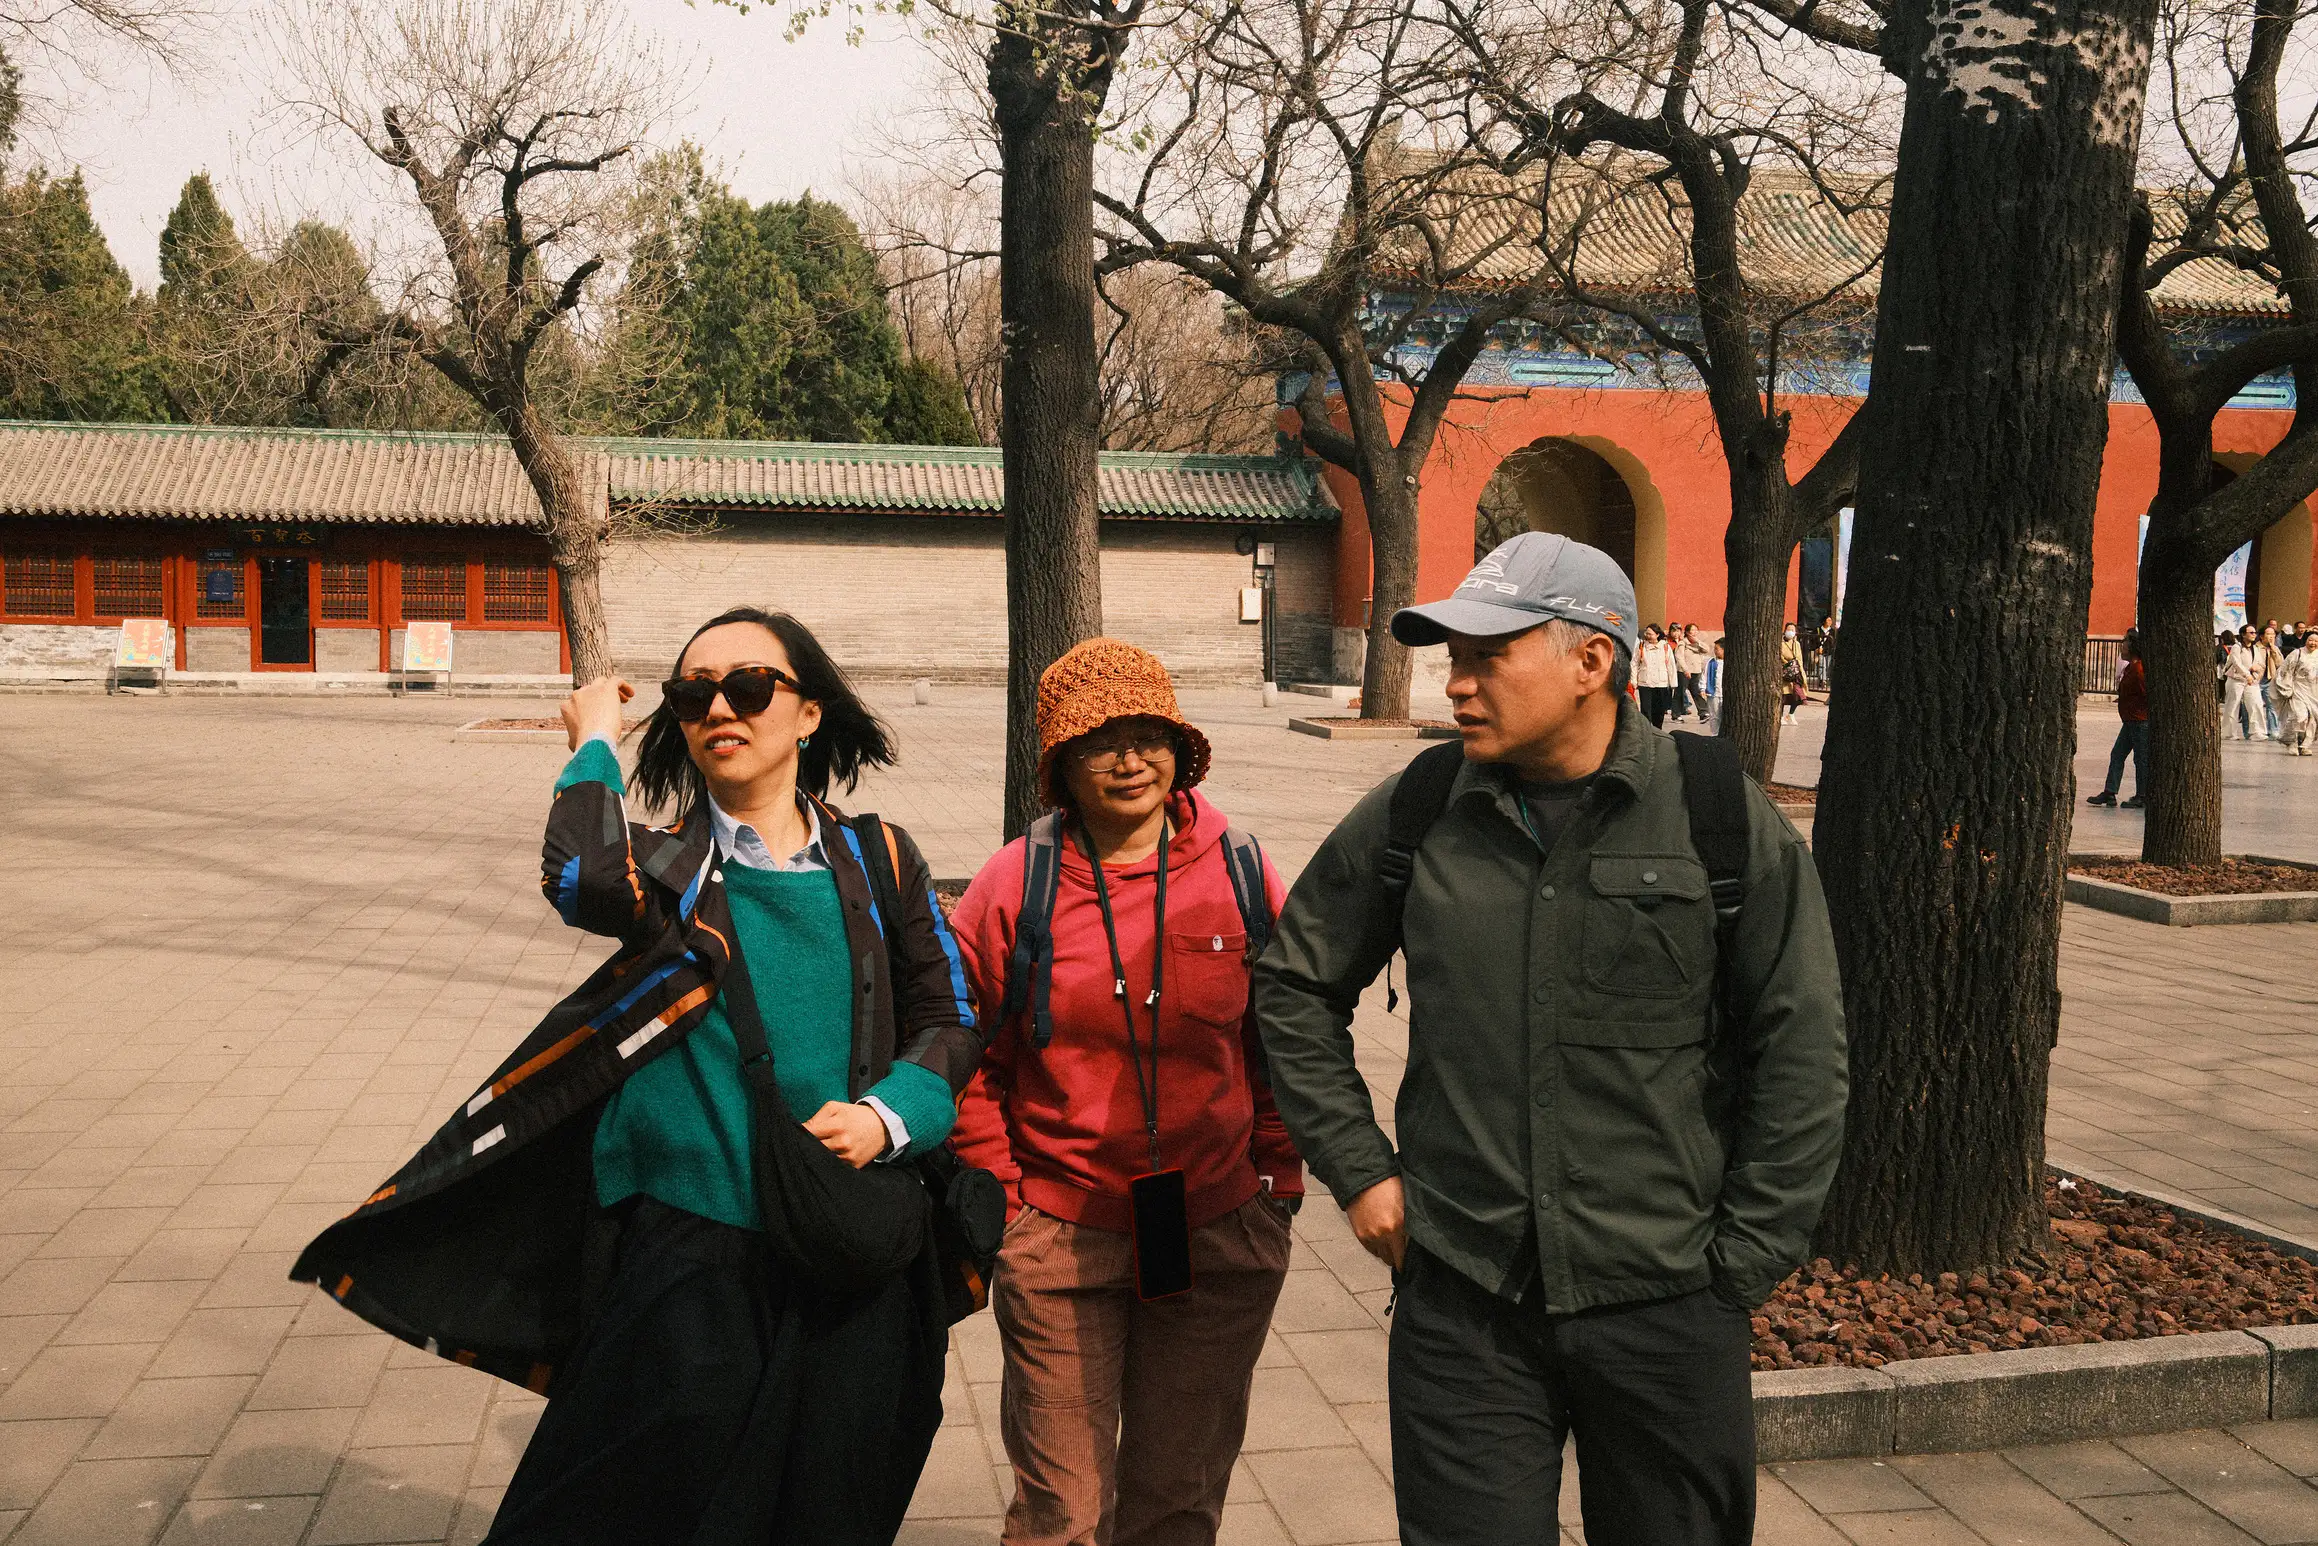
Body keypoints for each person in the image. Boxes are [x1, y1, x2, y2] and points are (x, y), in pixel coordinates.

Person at [294, 608, 984, 1546]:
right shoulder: (668, 867)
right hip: (690, 1248)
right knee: (622, 1498)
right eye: (693, 694)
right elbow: (579, 875)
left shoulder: (882, 857)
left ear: (809, 714)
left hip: (848, 1234)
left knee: (832, 1499)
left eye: (748, 686)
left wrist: (889, 1117)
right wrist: (594, 746)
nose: (718, 710)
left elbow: (949, 1018)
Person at [1255, 532, 1847, 1546]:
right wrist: (1359, 1172)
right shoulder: (1418, 809)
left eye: (1488, 656)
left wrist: (1740, 1265)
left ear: (1591, 662)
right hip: (1465, 1300)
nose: (1458, 685)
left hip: (1665, 1299)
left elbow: (1804, 1045)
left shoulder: (1712, 817)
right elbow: (1292, 983)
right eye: (1453, 660)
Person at [950, 638, 1303, 1546]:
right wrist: (1009, 1201)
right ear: (1061, 762)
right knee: (1062, 1509)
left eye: (1151, 735)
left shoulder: (1240, 870)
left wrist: (1278, 1181)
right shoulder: (1010, 886)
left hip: (1219, 1228)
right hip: (1061, 1236)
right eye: (1102, 738)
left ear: (1181, 750)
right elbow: (964, 1053)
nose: (1131, 758)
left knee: (1179, 1500)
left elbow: (1280, 1040)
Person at [2087, 628, 2148, 809]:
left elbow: (2147, 695)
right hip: (2131, 721)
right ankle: (2110, 791)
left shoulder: (2139, 670)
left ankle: (2142, 795)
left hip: (2139, 721)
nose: (2122, 645)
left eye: (2125, 642)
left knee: (2140, 759)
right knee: (2118, 754)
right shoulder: (2131, 668)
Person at [2224, 625, 2270, 740]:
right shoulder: (2237, 647)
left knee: (2256, 704)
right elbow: (2236, 662)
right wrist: (2248, 673)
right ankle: (2229, 733)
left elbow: (2260, 664)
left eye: (2255, 632)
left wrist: (2256, 676)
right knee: (2232, 706)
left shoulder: (2256, 648)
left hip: (2251, 681)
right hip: (2236, 679)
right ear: (2243, 634)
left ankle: (2257, 732)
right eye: (2251, 632)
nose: (2254, 634)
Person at [2277, 630, 2318, 755]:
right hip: (2298, 689)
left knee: (2313, 719)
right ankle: (2292, 742)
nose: (2313, 643)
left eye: (2316, 641)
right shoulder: (2297, 653)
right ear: (2305, 640)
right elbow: (2285, 670)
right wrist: (2287, 687)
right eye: (2311, 640)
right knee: (2300, 716)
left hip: (2314, 691)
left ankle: (2304, 745)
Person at [1634, 624, 1678, 727]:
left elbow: (1671, 665)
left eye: (1650, 634)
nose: (1647, 635)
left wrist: (1673, 683)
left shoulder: (1665, 647)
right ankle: (1646, 732)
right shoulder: (1641, 646)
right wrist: (1634, 681)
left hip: (1661, 683)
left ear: (1657, 634)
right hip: (1645, 683)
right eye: (1646, 633)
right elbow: (1634, 663)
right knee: (1645, 711)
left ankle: (1658, 732)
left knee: (1659, 711)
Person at [1673, 625, 1711, 722]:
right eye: (1692, 630)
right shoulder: (1682, 643)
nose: (1694, 632)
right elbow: (1679, 657)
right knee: (1680, 692)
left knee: (1696, 692)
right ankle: (1676, 714)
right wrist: (1685, 669)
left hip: (1695, 671)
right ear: (1687, 632)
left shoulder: (1698, 644)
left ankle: (1703, 712)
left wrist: (1697, 641)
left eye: (1696, 630)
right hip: (1684, 672)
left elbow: (1707, 650)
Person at [2262, 624, 2289, 740]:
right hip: (2255, 680)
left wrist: (2273, 648)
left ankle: (2273, 731)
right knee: (2252, 706)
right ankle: (2251, 730)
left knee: (2271, 707)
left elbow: (2280, 663)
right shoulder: (2256, 648)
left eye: (2273, 634)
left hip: (2269, 680)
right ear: (2262, 636)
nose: (2271, 636)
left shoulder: (2275, 648)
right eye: (2268, 634)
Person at [1779, 625, 1809, 725]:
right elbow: (1780, 656)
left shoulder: (1796, 644)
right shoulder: (1781, 643)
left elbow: (1799, 658)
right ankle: (1781, 716)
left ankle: (1791, 714)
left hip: (1797, 672)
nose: (1790, 632)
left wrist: (1800, 670)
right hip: (1786, 671)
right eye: (1788, 629)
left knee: (1799, 695)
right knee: (1784, 695)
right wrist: (1787, 663)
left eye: (1792, 630)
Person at [1703, 639, 1726, 732]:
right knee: (1714, 716)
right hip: (1713, 694)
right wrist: (1702, 688)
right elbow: (1705, 675)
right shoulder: (1711, 662)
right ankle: (1714, 733)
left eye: (1717, 649)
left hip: (1724, 693)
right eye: (1714, 649)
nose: (1715, 651)